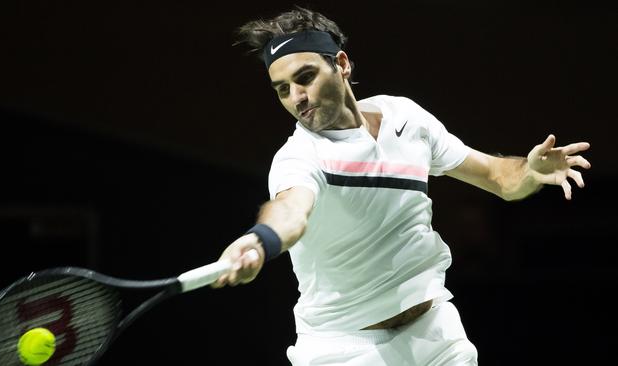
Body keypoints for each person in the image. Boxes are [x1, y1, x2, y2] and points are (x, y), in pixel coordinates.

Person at [211, 6, 591, 366]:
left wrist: (529, 170)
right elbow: (291, 211)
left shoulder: (405, 118)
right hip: (343, 347)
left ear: (341, 64)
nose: (297, 97)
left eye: (305, 77)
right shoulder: (299, 157)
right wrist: (260, 240)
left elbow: (498, 179)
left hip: (434, 333)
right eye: (282, 89)